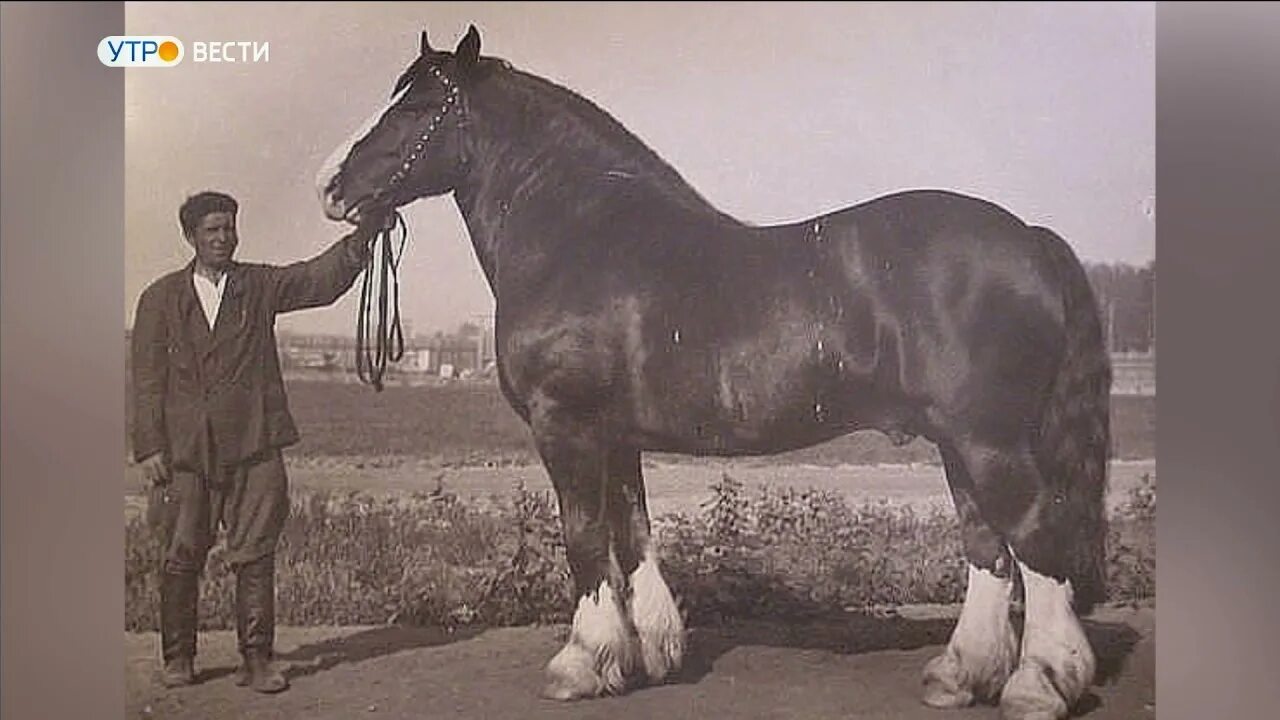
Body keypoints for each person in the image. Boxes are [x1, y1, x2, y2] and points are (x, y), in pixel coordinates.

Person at [131, 190, 380, 693]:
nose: (222, 238)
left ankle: (257, 659)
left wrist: (366, 237)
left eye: (228, 228)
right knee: (181, 556)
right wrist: (150, 447)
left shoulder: (259, 285)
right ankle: (179, 657)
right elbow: (146, 380)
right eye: (211, 231)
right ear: (191, 237)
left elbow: (317, 279)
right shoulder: (160, 299)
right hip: (187, 453)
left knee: (255, 554)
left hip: (254, 443)